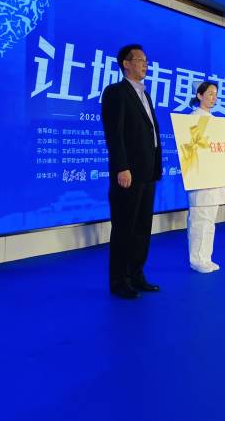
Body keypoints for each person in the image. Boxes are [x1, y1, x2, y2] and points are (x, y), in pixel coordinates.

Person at [101, 44, 163, 299]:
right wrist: (122, 167)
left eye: (146, 60)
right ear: (126, 64)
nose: (145, 64)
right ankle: (119, 281)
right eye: (139, 60)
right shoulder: (116, 92)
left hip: (148, 172)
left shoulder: (144, 94)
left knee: (142, 228)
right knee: (124, 227)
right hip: (129, 173)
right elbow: (114, 134)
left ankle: (136, 275)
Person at [185, 81, 225, 273]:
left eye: (215, 94)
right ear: (199, 95)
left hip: (216, 176)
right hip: (201, 176)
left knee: (210, 220)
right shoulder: (192, 118)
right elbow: (190, 148)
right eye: (210, 93)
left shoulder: (215, 120)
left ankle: (206, 257)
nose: (214, 98)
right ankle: (196, 259)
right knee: (199, 219)